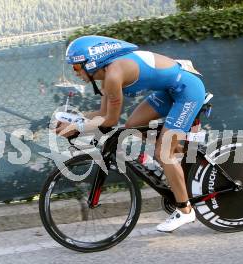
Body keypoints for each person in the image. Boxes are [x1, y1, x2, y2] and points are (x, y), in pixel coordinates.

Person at [56, 35, 206, 232]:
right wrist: (73, 120)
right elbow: (101, 114)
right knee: (133, 127)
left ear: (92, 62)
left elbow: (110, 120)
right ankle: (182, 151)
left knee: (163, 153)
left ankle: (185, 211)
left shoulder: (113, 76)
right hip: (169, 92)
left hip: (187, 91)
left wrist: (78, 127)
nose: (75, 73)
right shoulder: (106, 76)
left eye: (76, 67)